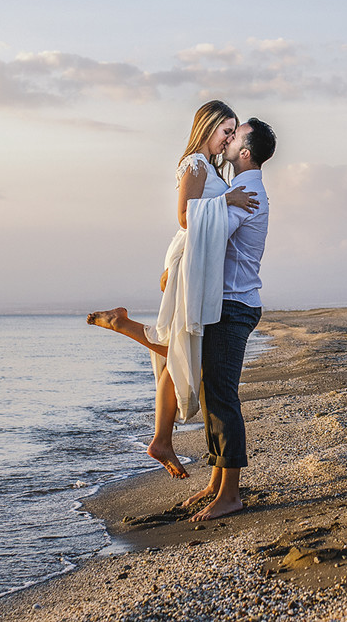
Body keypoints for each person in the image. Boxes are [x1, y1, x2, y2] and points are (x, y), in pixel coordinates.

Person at [87, 101, 258, 479]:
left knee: (181, 343)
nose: (228, 138)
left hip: (196, 259)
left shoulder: (208, 166)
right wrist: (227, 199)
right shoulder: (195, 164)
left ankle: (162, 438)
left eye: (233, 132)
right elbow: (184, 216)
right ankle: (125, 327)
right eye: (224, 131)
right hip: (189, 259)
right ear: (207, 127)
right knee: (180, 341)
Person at [181, 117, 275, 522]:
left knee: (221, 396)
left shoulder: (248, 189)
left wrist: (211, 205)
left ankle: (231, 494)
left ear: (245, 152)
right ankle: (218, 480)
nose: (229, 138)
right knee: (212, 393)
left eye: (235, 136)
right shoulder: (244, 187)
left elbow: (214, 229)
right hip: (232, 301)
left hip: (234, 304)